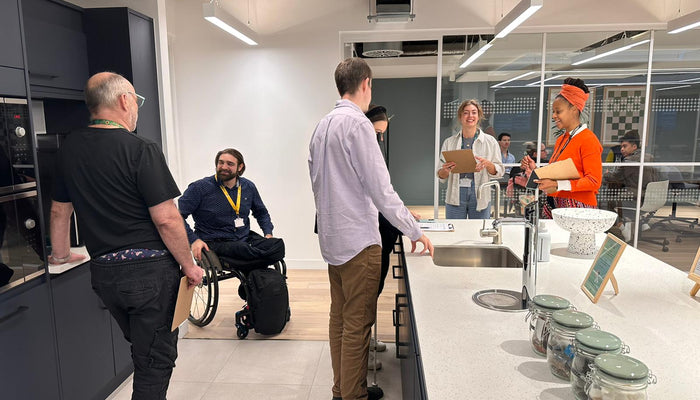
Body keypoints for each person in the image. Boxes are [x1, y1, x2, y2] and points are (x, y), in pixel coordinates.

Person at [49, 72, 203, 400]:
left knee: (144, 351)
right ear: (124, 101)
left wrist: (61, 255)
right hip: (150, 276)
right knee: (155, 362)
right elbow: (166, 220)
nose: (137, 107)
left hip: (106, 277)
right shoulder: (140, 148)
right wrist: (189, 266)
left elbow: (60, 211)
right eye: (136, 100)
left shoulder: (69, 148)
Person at [308, 57, 433, 400]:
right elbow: (382, 189)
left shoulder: (322, 126)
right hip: (360, 243)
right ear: (365, 84)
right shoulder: (358, 125)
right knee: (357, 326)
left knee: (340, 322)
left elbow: (317, 183)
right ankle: (353, 395)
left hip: (333, 243)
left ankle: (342, 389)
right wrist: (414, 230)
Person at [365, 104, 421, 362]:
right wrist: (411, 228)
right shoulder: (363, 148)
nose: (380, 138)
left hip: (378, 234)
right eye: (377, 132)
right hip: (367, 238)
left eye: (383, 134)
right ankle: (360, 352)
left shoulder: (372, 147)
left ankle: (364, 344)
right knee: (364, 298)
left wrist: (404, 213)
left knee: (371, 294)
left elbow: (385, 192)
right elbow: (380, 195)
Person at [178, 148, 283, 271]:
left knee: (277, 245)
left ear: (240, 167)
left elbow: (261, 212)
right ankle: (260, 260)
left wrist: (268, 233)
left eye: (230, 164)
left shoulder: (248, 186)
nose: (224, 167)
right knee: (243, 249)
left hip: (243, 237)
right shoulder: (200, 188)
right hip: (215, 241)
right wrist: (194, 240)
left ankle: (254, 262)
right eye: (221, 162)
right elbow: (177, 216)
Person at [521, 77, 603, 218]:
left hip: (578, 208)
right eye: (553, 111)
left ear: (574, 109)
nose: (554, 116)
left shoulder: (589, 140)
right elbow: (557, 174)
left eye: (558, 111)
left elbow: (594, 181)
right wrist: (536, 171)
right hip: (556, 204)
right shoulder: (562, 139)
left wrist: (558, 184)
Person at [437, 99, 505, 219]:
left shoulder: (490, 141)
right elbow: (440, 175)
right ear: (460, 116)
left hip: (480, 193)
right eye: (466, 112)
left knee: (479, 233)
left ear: (479, 116)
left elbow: (499, 171)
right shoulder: (449, 142)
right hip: (456, 193)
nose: (470, 116)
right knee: (455, 231)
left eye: (474, 112)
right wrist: (445, 171)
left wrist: (489, 165)